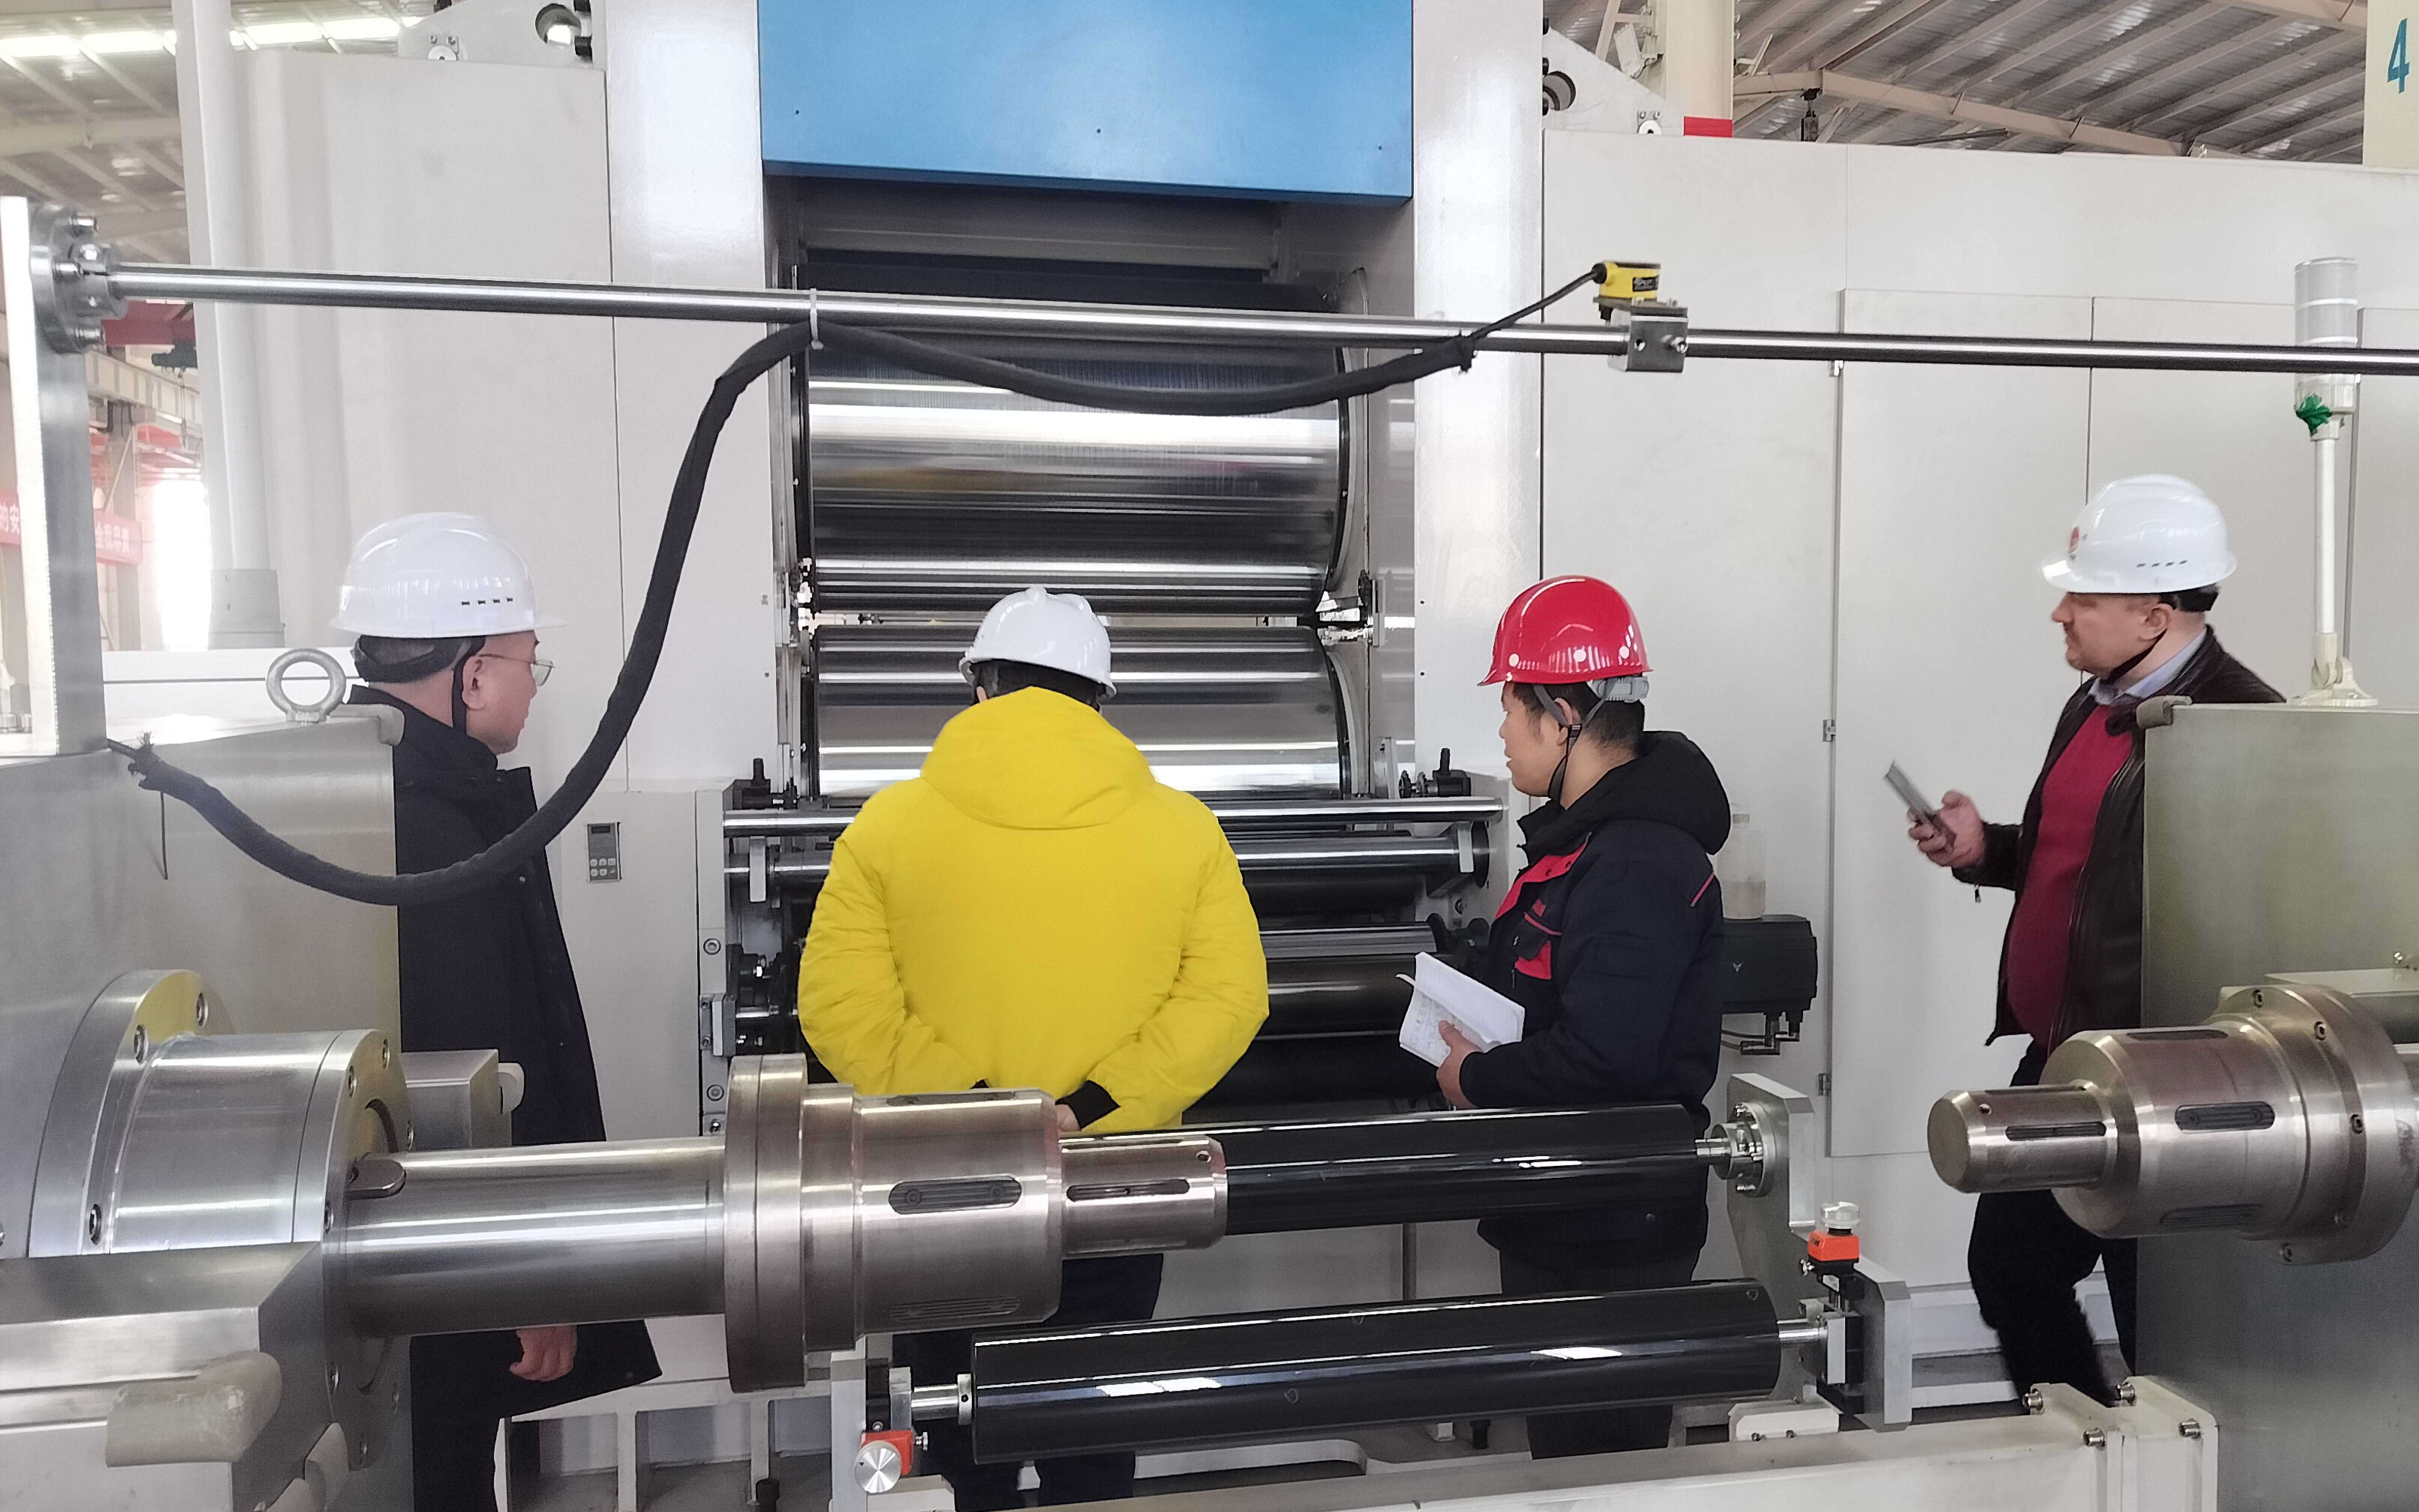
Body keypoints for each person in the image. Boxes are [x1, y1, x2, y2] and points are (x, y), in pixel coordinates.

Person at [798, 585, 1267, 1509]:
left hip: (940, 1188)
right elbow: (1228, 997)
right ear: (1098, 700)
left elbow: (838, 1004)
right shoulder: (1184, 830)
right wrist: (1089, 1106)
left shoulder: (887, 827)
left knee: (949, 1422)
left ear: (980, 689)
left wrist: (984, 1112)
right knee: (1094, 1421)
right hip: (1118, 1182)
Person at [1906, 475, 2281, 1407]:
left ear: (2155, 614)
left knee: (2162, 1322)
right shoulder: (2095, 701)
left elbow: (2246, 913)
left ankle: (2156, 1464)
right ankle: (2084, 1438)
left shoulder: (2238, 727)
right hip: (2068, 1060)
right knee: (2012, 1268)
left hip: (2165, 1082)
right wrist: (1985, 849)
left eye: (2083, 597)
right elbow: (2083, 863)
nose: (2059, 613)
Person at [333, 513, 660, 1512]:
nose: (533, 685)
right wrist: (529, 1281)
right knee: (444, 1478)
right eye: (528, 662)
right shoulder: (435, 826)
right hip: (449, 1261)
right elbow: (471, 1082)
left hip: (390, 1248)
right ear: (471, 676)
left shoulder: (366, 792)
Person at [1433, 575, 1731, 1459]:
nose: (1502, 731)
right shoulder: (1587, 844)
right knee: (1570, 1455)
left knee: (1600, 1463)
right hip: (1565, 1205)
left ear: (1564, 716)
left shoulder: (1636, 863)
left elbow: (1608, 1055)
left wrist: (1475, 1076)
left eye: (1511, 708)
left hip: (1613, 1223)